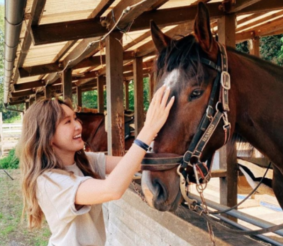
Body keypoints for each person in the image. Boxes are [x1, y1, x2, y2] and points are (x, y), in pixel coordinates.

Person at [17, 86, 174, 246]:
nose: (78, 125)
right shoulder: (48, 182)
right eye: (67, 122)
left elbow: (136, 162)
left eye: (75, 118)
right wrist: (148, 130)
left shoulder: (84, 161)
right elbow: (112, 189)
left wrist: (184, 157)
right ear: (48, 136)